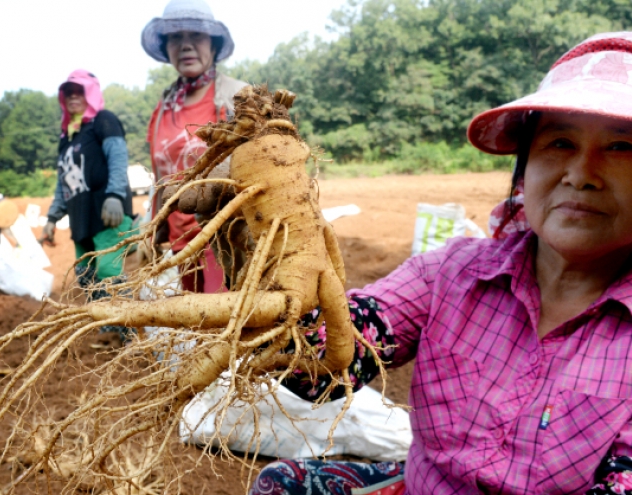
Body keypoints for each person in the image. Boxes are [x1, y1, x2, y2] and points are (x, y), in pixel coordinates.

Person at [243, 32, 632, 495]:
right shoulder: (450, 275)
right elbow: (326, 369)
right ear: (524, 169)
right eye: (561, 142)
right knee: (283, 484)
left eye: (621, 148)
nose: (581, 175)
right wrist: (264, 276)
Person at [141, 0, 247, 293]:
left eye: (196, 36)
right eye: (175, 37)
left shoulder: (237, 95)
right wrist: (153, 228)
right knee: (199, 325)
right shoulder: (164, 106)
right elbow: (161, 176)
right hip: (181, 242)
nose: (185, 45)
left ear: (213, 45)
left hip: (223, 234)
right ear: (166, 48)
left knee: (225, 321)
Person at [42, 69, 136, 300]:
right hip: (81, 218)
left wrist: (115, 194)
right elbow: (63, 179)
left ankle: (126, 331)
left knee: (107, 271)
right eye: (69, 93)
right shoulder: (68, 136)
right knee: (85, 274)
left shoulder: (104, 121)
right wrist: (52, 217)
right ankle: (106, 330)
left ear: (91, 94)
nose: (73, 96)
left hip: (107, 213)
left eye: (79, 92)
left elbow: (117, 158)